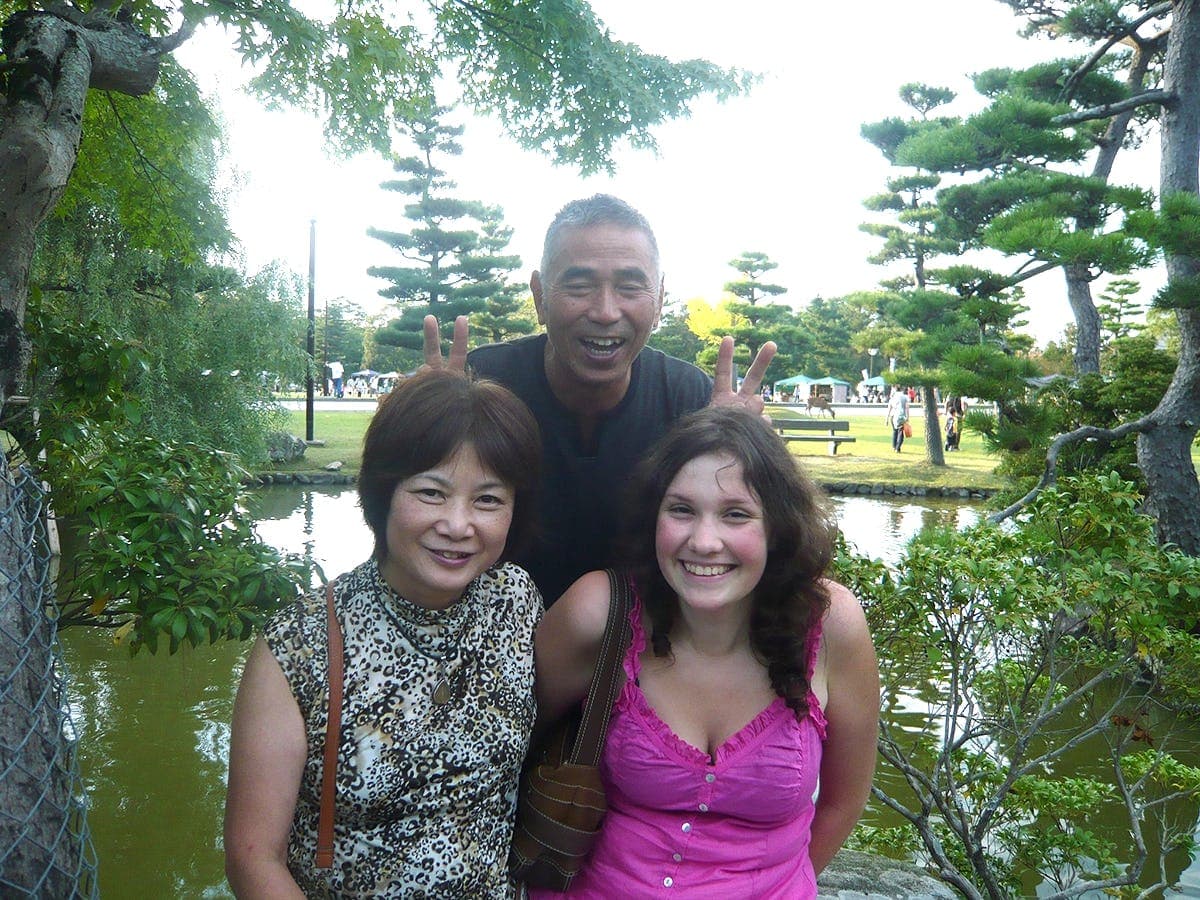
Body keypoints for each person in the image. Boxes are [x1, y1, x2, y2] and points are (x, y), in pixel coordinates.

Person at [530, 406, 879, 898]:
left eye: (736, 514)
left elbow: (844, 800)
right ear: (654, 517)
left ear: (776, 526)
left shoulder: (830, 625)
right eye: (681, 510)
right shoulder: (600, 612)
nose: (704, 541)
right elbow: (507, 742)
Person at [224, 369, 543, 898]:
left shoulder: (515, 600)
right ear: (382, 493)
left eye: (488, 500)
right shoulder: (300, 642)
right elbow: (254, 858)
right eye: (431, 492)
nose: (459, 525)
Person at [431, 194, 777, 603]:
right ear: (540, 296)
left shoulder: (691, 401)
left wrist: (739, 447)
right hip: (492, 640)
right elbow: (406, 524)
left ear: (660, 297)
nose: (606, 311)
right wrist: (422, 423)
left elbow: (750, 543)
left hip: (639, 642)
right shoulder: (481, 386)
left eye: (630, 287)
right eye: (579, 286)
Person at [886, 388, 910, 453]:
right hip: (901, 417)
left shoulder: (892, 399)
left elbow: (889, 409)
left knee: (894, 431)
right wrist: (908, 417)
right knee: (900, 432)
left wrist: (886, 419)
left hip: (893, 416)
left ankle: (894, 447)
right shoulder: (904, 397)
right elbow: (907, 407)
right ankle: (897, 448)